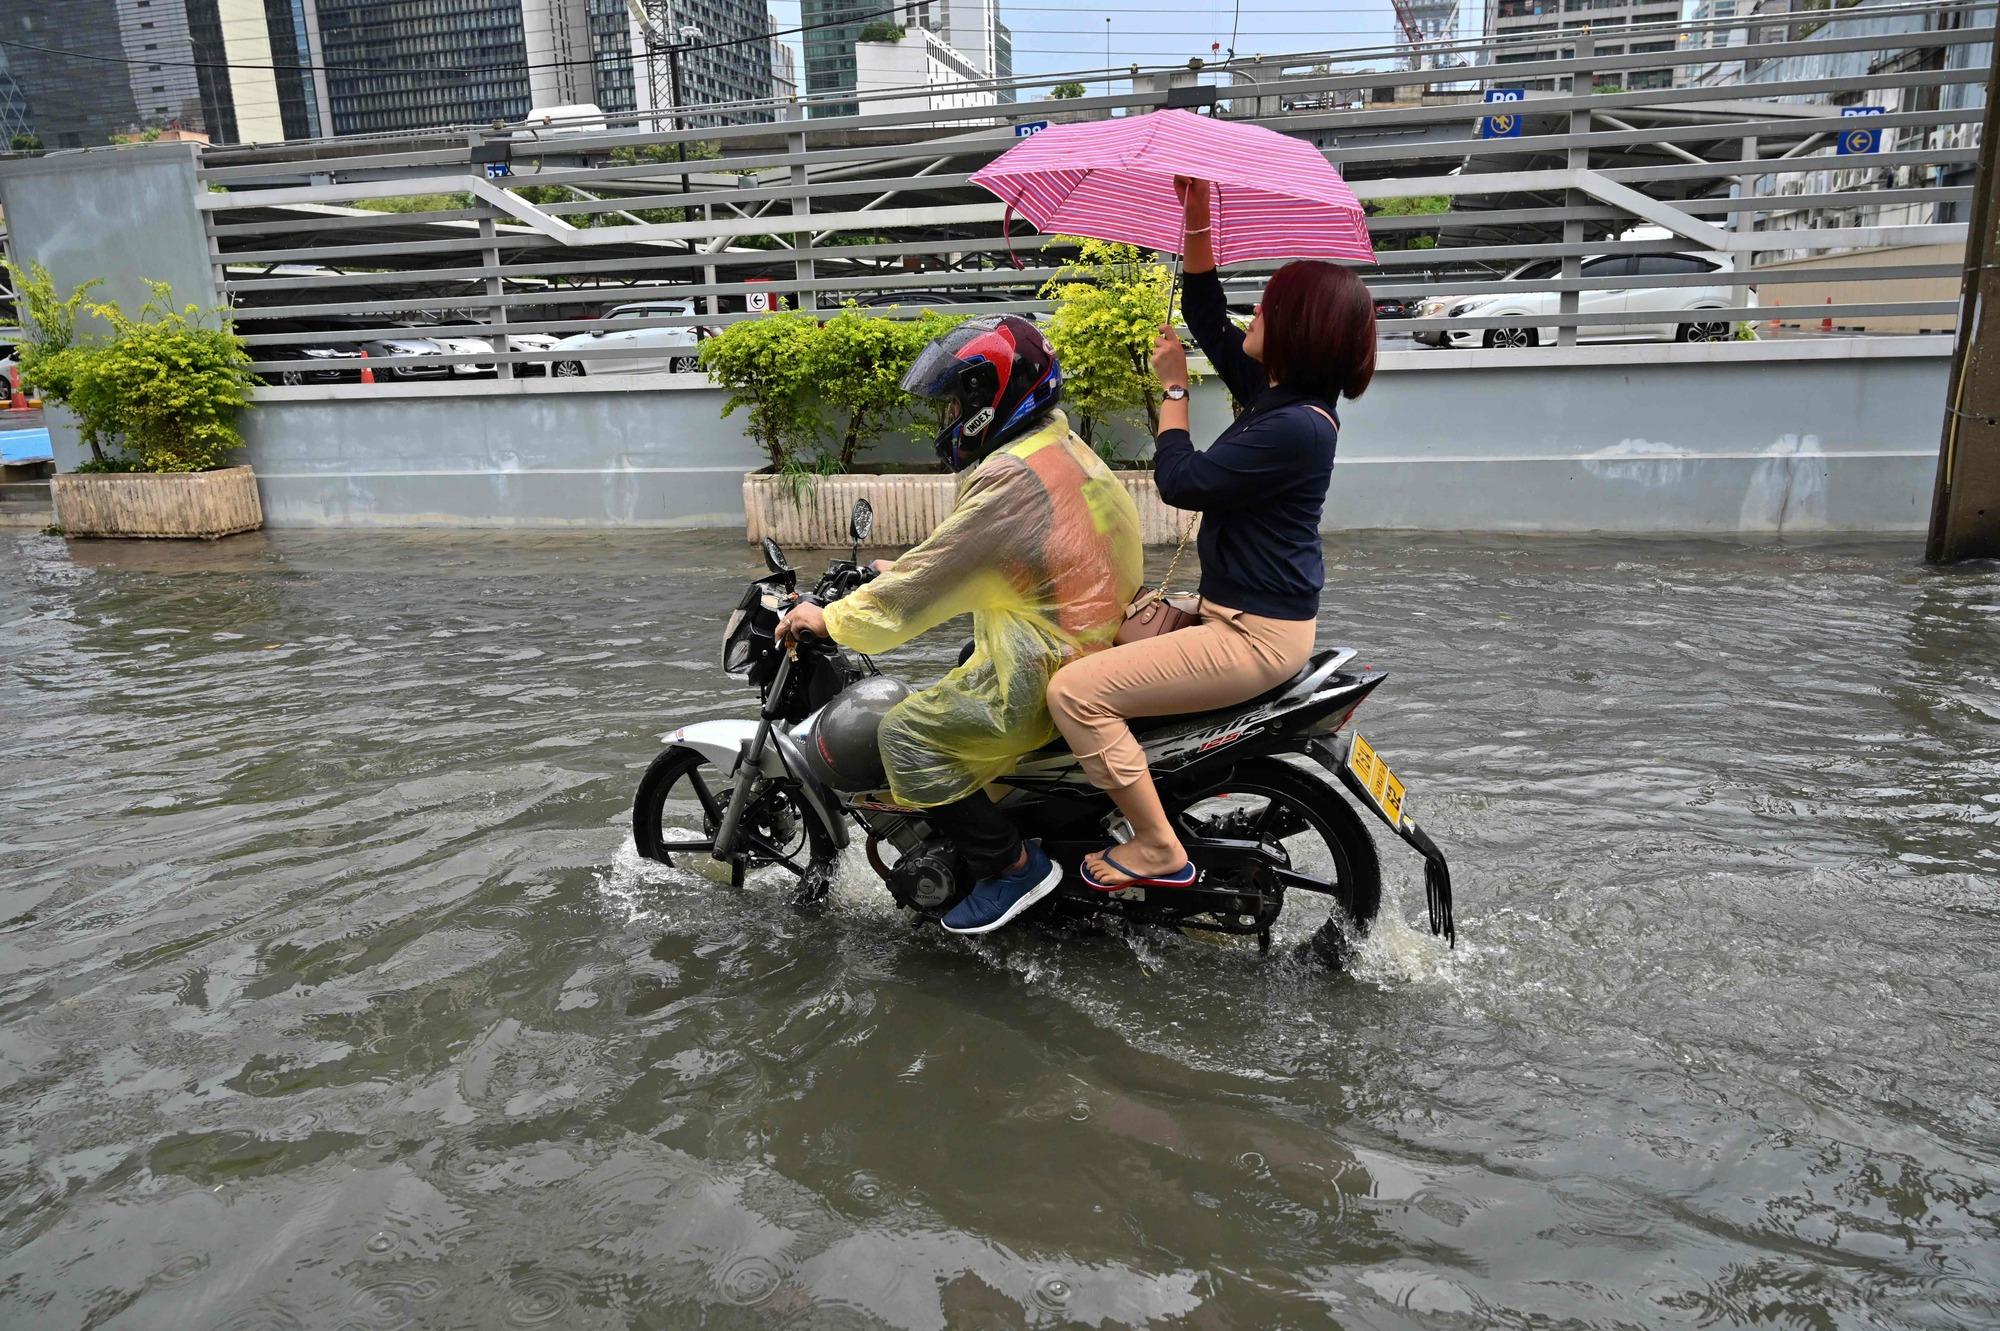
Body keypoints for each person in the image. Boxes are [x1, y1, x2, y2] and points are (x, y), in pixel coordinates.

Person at [1045, 176, 1378, 891]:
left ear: (1299, 330)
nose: (1254, 311)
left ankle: (1158, 846)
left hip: (1249, 637)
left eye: (1272, 304)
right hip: (1232, 612)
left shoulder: (1293, 427)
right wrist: (1195, 214)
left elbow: (1183, 482)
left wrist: (1172, 391)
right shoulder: (1281, 397)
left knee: (1075, 693)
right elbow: (1204, 309)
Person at [775, 315, 1143, 934]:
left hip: (1050, 659)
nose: (947, 421)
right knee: (953, 686)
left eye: (953, 405)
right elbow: (996, 554)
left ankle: (1011, 866)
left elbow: (916, 594)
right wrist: (912, 568)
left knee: (906, 736)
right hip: (1087, 635)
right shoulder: (1057, 446)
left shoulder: (1008, 475)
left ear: (987, 400)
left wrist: (829, 618)